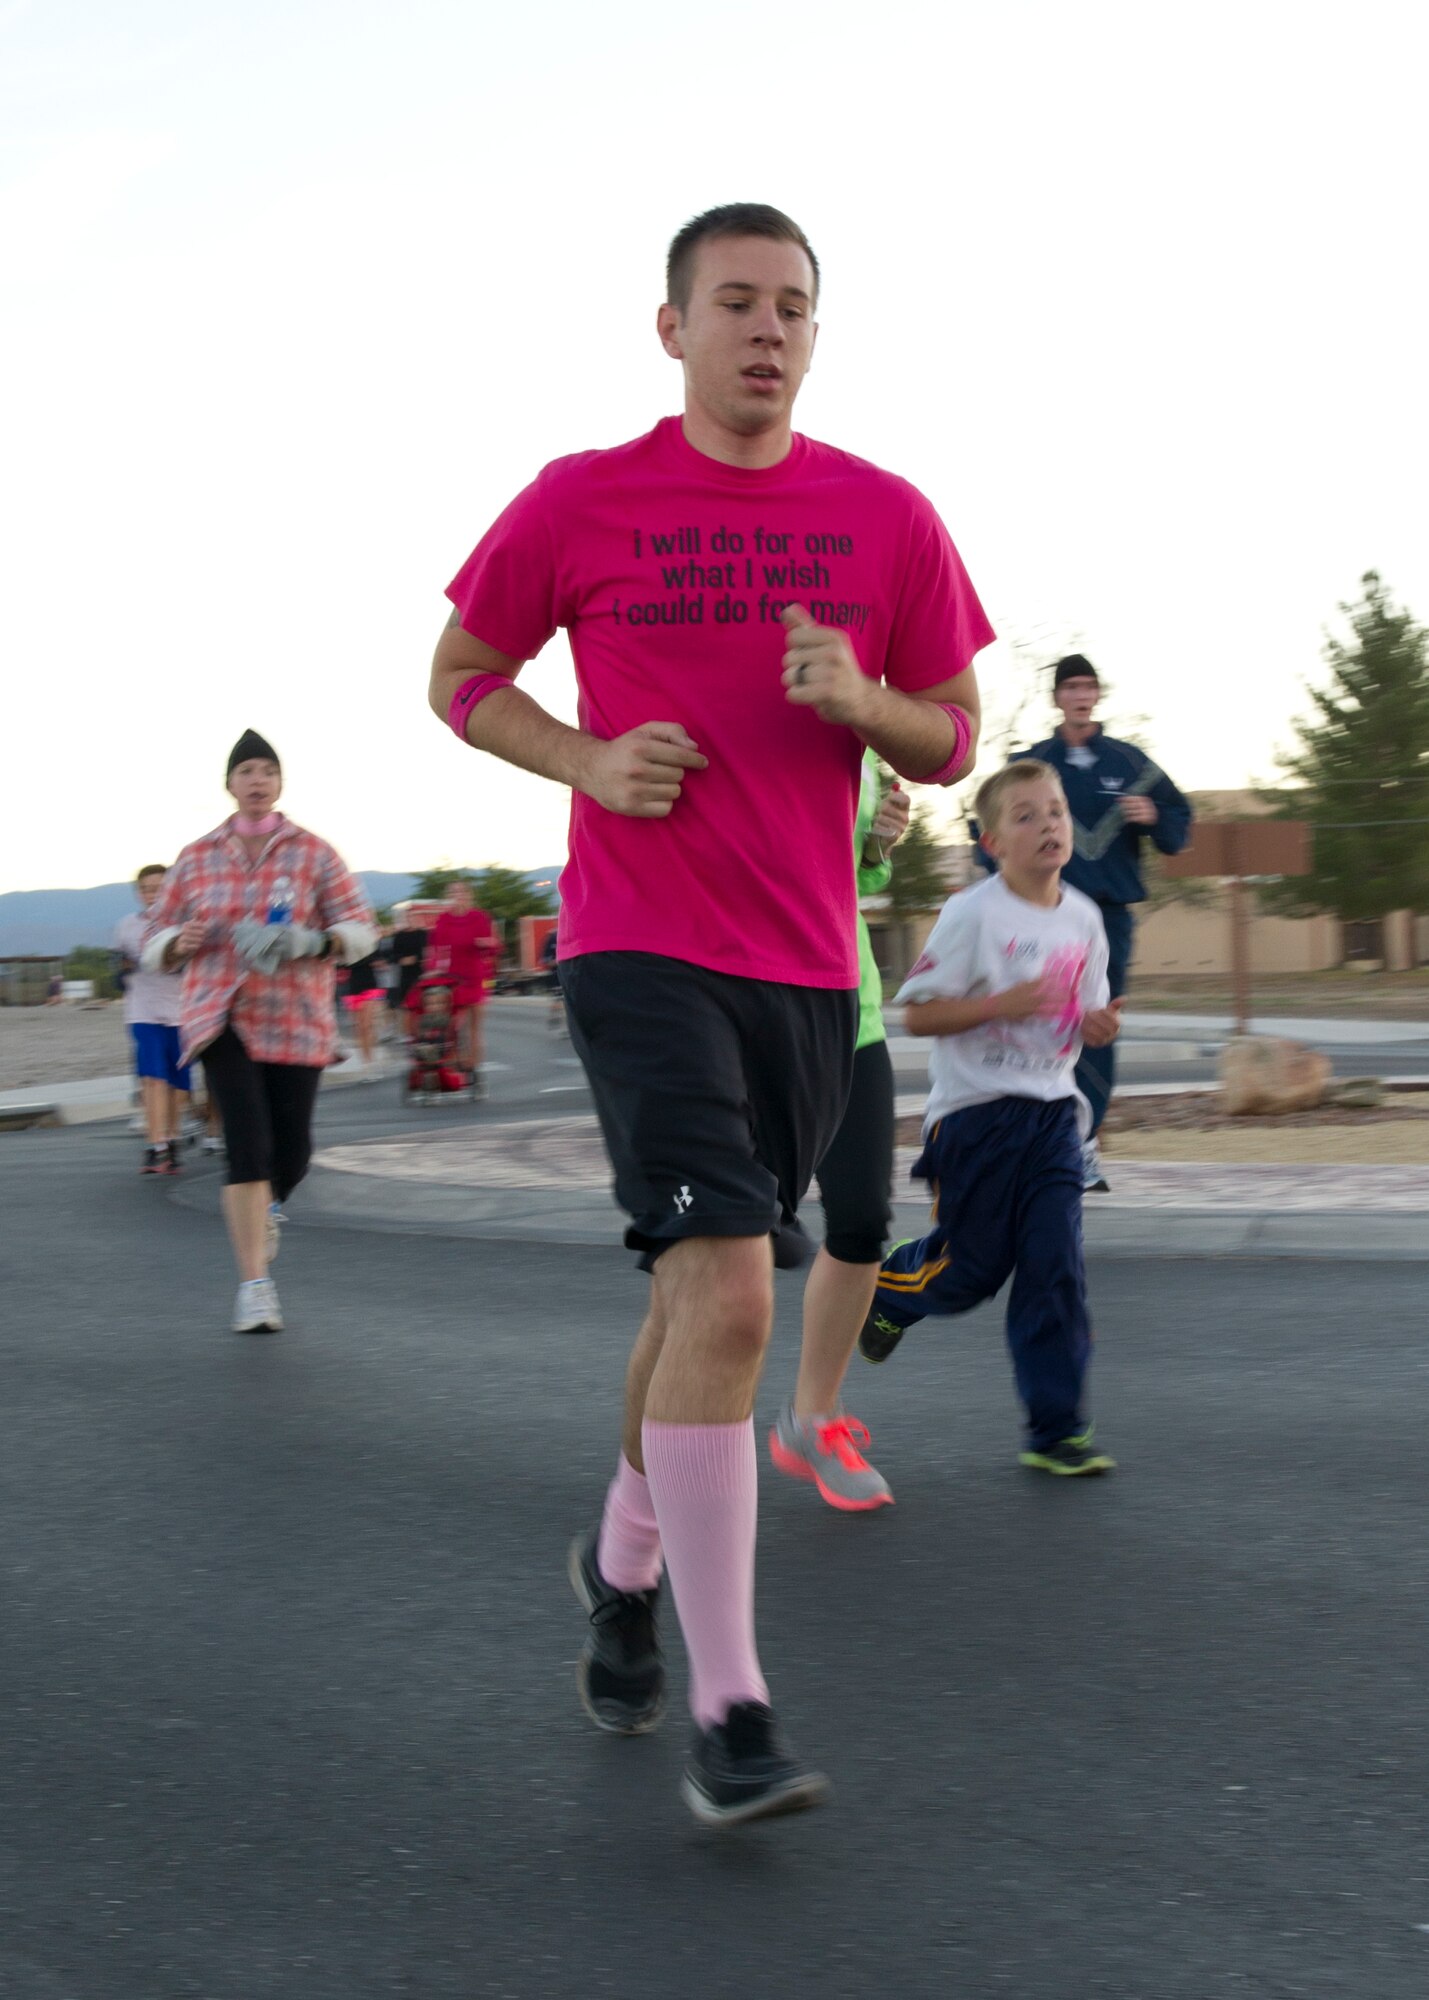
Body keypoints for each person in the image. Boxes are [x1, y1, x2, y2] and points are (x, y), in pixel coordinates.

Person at [428, 203, 992, 1825]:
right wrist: (587, 764)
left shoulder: (884, 518)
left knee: (694, 1305)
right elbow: (460, 675)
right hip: (638, 948)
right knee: (734, 1297)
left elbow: (950, 733)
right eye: (733, 303)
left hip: (812, 973)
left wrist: (863, 702)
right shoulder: (578, 500)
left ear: (815, 336)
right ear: (667, 327)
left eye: (792, 308)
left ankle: (617, 1565)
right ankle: (730, 1707)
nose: (766, 330)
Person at [858, 760, 1122, 1476]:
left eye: (1057, 811)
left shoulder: (1084, 920)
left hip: (1051, 1121)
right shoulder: (971, 914)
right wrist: (995, 1006)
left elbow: (1079, 1017)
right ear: (991, 841)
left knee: (1054, 1269)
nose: (1048, 825)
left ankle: (1055, 1431)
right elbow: (916, 1014)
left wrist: (1094, 1028)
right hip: (973, 1119)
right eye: (1026, 815)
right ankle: (889, 1288)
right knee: (969, 1273)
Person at [142, 731, 375, 1334]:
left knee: (290, 1154)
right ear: (230, 784)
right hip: (220, 1013)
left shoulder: (313, 853)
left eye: (267, 770)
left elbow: (361, 927)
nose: (256, 780)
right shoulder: (196, 857)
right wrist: (176, 943)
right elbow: (155, 938)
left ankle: (270, 1205)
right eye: (245, 770)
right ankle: (255, 1286)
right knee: (246, 1143)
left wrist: (319, 940)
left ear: (279, 784)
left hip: (297, 1013)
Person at [990, 655, 1191, 1191]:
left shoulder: (1130, 765)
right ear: (1057, 697)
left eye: (1088, 687)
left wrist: (1153, 817)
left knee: (1097, 1025)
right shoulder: (1031, 766)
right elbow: (987, 829)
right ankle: (1025, 1143)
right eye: (1070, 687)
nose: (1080, 695)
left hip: (1105, 917)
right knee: (1032, 1024)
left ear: (1097, 696)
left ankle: (1084, 1146)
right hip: (1035, 915)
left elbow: (1179, 820)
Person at [768, 753, 909, 1509]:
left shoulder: (864, 750)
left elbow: (849, 880)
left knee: (860, 1222)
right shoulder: (724, 707)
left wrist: (876, 847)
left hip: (847, 1010)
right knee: (727, 1241)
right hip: (738, 1008)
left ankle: (810, 1420)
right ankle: (673, 1447)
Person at [114, 864, 192, 1173]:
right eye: (146, 889)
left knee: (177, 1083)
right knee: (153, 1077)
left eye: (159, 888)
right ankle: (155, 1143)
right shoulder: (126, 927)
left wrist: (172, 957)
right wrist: (124, 969)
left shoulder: (184, 925)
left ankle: (171, 1138)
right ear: (138, 893)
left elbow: (195, 967)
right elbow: (117, 973)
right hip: (142, 1011)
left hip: (180, 1012)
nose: (152, 895)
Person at [426, 880, 498, 1085]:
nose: (458, 896)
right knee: (453, 1025)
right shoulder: (444, 919)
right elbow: (435, 948)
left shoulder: (479, 917)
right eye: (454, 892)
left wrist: (487, 945)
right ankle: (457, 1061)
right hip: (452, 977)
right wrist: (432, 971)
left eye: (462, 892)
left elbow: (493, 948)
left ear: (469, 895)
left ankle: (473, 1066)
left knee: (476, 1025)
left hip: (475, 975)